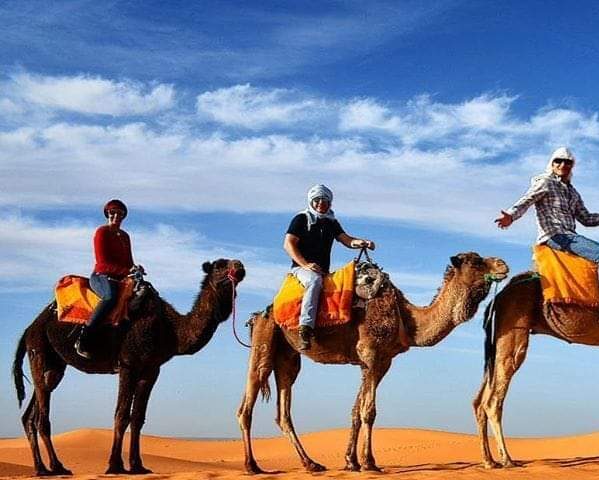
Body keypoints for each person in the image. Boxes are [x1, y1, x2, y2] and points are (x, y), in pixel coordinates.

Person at [284, 184, 375, 351]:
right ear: (311, 201)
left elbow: (346, 239)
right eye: (317, 200)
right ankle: (305, 328)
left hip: (323, 270)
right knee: (314, 282)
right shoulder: (302, 219)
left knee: (349, 282)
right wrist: (305, 264)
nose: (321, 204)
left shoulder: (330, 222)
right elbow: (288, 244)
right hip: (302, 269)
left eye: (325, 200)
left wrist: (362, 242)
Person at [495, 147, 599, 262]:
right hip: (554, 236)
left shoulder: (573, 193)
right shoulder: (546, 182)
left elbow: (586, 219)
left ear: (571, 166)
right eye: (558, 161)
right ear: (552, 164)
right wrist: (510, 216)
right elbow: (526, 200)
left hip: (571, 237)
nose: (563, 165)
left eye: (568, 162)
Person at [75, 199, 135, 359]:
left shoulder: (125, 237)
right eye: (113, 213)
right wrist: (127, 271)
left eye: (120, 214)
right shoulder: (102, 232)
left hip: (120, 278)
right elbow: (103, 263)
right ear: (107, 214)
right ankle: (84, 338)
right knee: (110, 297)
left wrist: (135, 269)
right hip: (101, 276)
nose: (117, 216)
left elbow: (129, 262)